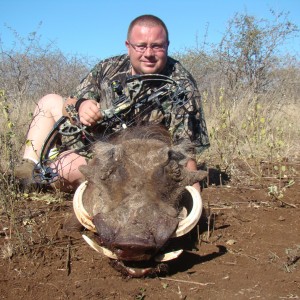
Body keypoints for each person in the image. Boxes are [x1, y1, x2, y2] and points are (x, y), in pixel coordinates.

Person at [16, 14, 210, 196]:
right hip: (90, 139)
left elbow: (185, 151)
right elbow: (69, 103)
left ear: (167, 45)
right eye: (141, 46)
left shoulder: (181, 85)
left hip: (128, 163)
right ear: (128, 46)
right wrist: (81, 106)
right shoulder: (109, 67)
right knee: (48, 101)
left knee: (65, 168)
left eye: (157, 46)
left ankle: (45, 174)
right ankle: (27, 169)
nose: (148, 53)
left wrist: (193, 195)